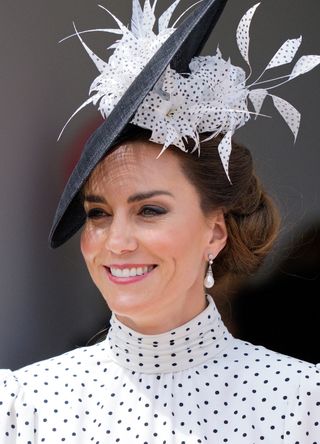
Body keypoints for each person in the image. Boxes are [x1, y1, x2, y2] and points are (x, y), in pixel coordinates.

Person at [1, 1, 319, 443]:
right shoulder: (24, 405)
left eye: (149, 210)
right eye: (98, 214)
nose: (117, 241)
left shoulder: (299, 401)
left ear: (215, 231)